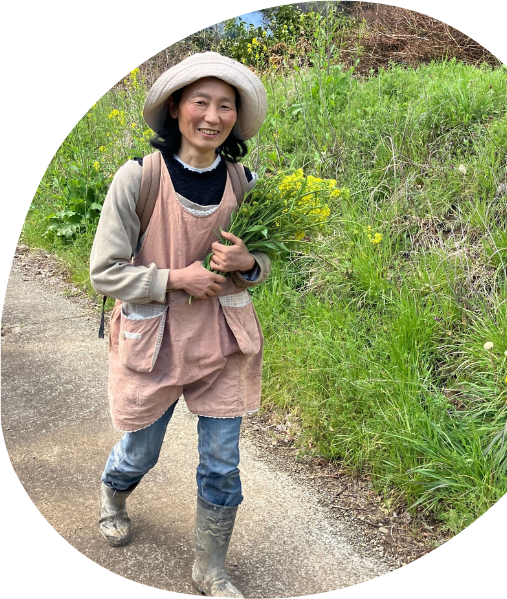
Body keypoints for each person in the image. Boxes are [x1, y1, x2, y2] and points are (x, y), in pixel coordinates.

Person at [89, 52, 270, 598]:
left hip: (224, 338)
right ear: (175, 107)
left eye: (225, 106)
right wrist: (175, 278)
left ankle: (210, 569)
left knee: (222, 462)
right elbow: (105, 272)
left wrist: (250, 264)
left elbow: (268, 258)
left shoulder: (244, 181)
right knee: (141, 450)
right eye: (200, 102)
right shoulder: (138, 178)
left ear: (236, 117)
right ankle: (114, 493)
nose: (212, 116)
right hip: (155, 340)